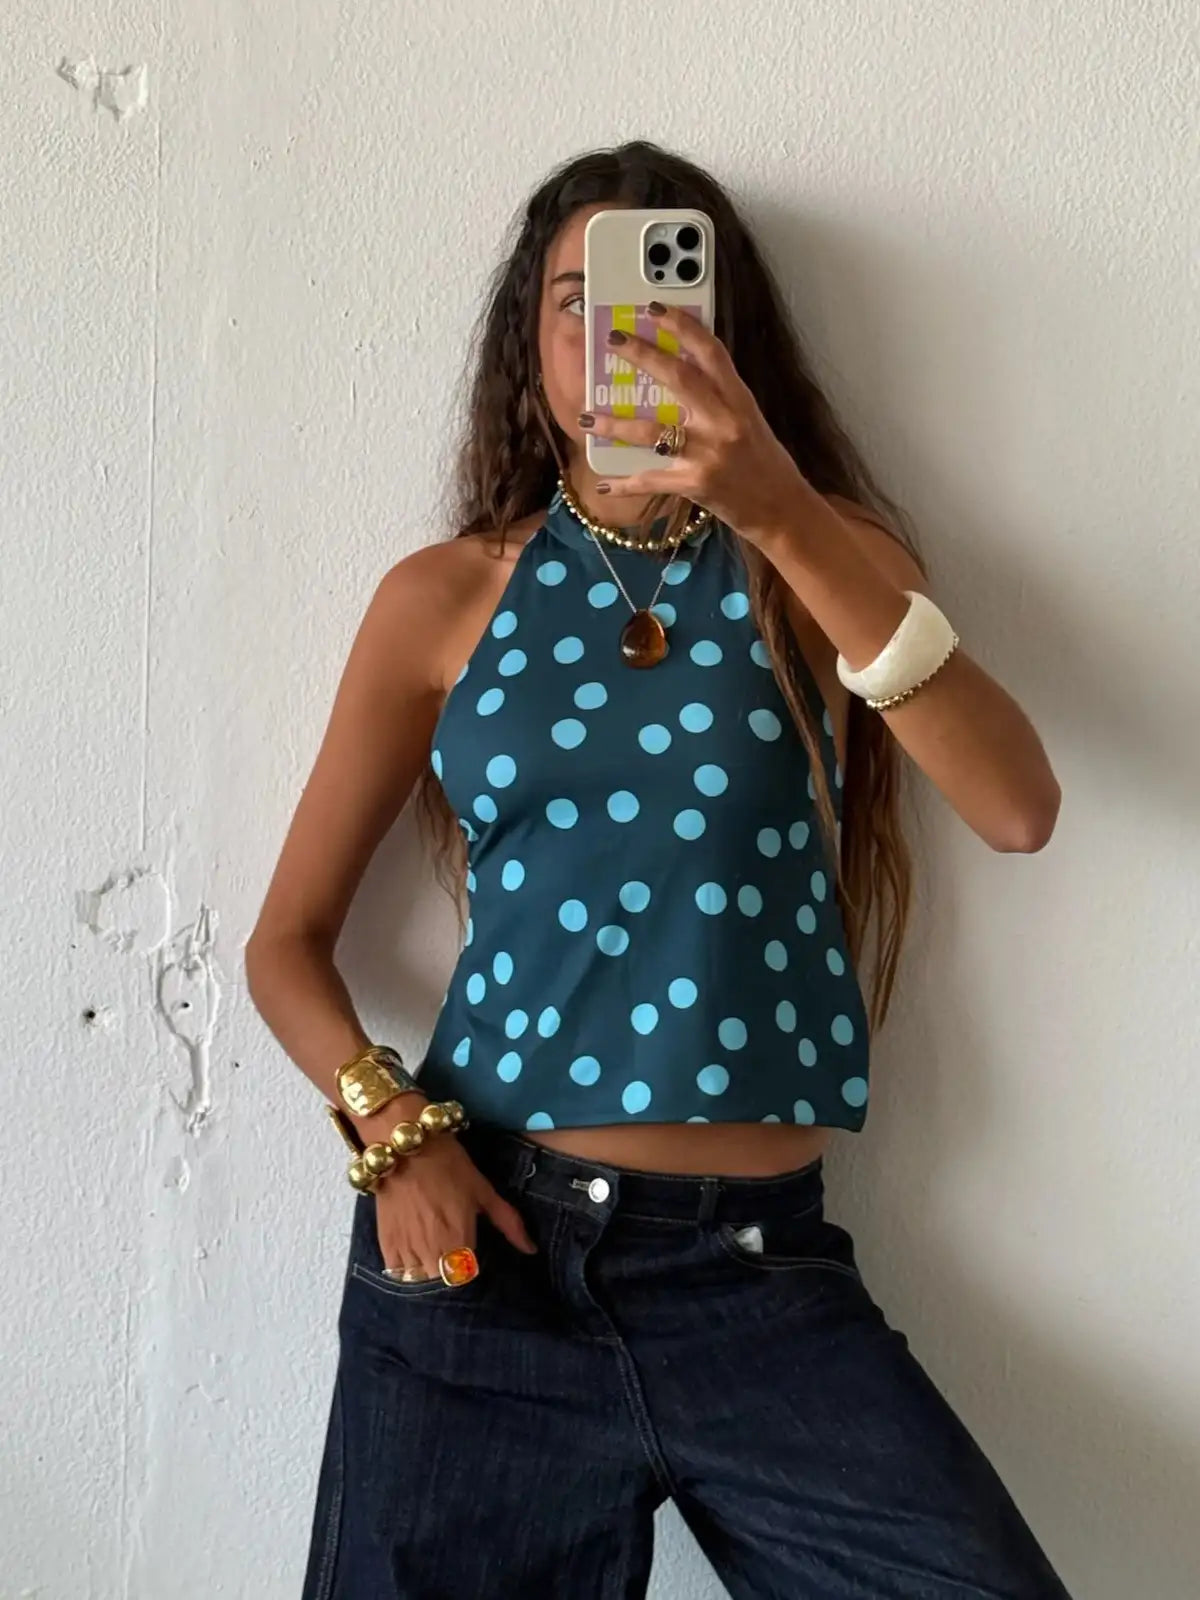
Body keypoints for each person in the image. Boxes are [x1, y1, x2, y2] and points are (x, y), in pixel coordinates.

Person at [245, 140, 1069, 1599]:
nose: (618, 337)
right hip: (487, 1254)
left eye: (661, 301)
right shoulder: (447, 596)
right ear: (530, 341)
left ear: (726, 339)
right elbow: (286, 942)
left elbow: (1016, 806)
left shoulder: (816, 557)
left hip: (756, 1277)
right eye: (579, 302)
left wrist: (778, 507)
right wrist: (395, 1135)